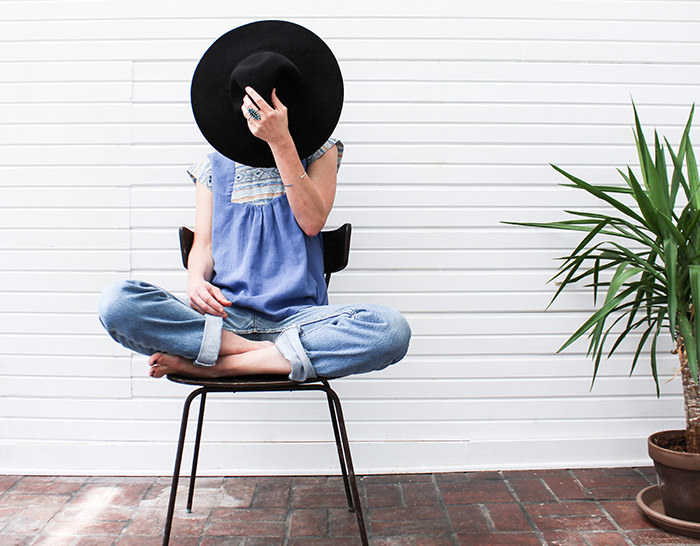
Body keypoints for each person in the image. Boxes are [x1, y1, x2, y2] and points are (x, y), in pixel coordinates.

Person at [98, 21, 411, 382]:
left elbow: (311, 221)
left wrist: (281, 143)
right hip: (224, 320)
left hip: (298, 322)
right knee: (117, 302)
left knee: (391, 330)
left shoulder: (321, 152)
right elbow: (204, 245)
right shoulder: (213, 165)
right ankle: (261, 355)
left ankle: (222, 364)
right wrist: (195, 280)